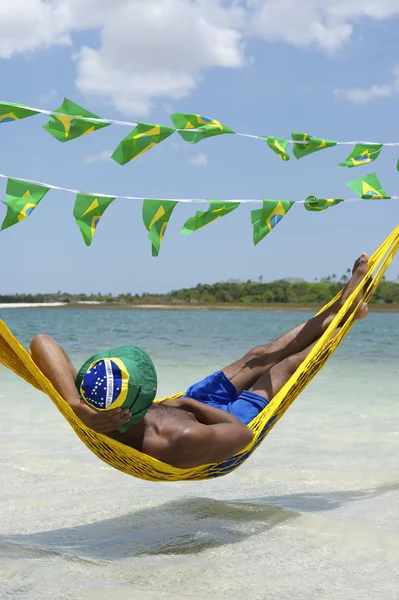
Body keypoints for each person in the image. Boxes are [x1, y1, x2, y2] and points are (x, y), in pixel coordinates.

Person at [30, 254, 369, 470]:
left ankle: (340, 309)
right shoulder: (177, 439)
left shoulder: (93, 400)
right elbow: (241, 436)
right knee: (284, 368)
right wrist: (190, 401)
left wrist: (75, 406)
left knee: (259, 356)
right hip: (224, 424)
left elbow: (42, 341)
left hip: (188, 406)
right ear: (146, 396)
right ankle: (346, 321)